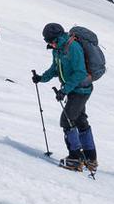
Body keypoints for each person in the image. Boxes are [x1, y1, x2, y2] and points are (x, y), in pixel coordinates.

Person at [32, 23, 97, 171]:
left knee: (66, 120)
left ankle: (75, 158)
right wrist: (41, 78)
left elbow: (80, 72)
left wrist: (65, 90)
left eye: (51, 41)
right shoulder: (58, 49)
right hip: (73, 88)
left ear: (58, 37)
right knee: (80, 120)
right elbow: (55, 69)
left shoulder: (72, 48)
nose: (50, 44)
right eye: (48, 42)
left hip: (81, 89)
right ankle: (90, 158)